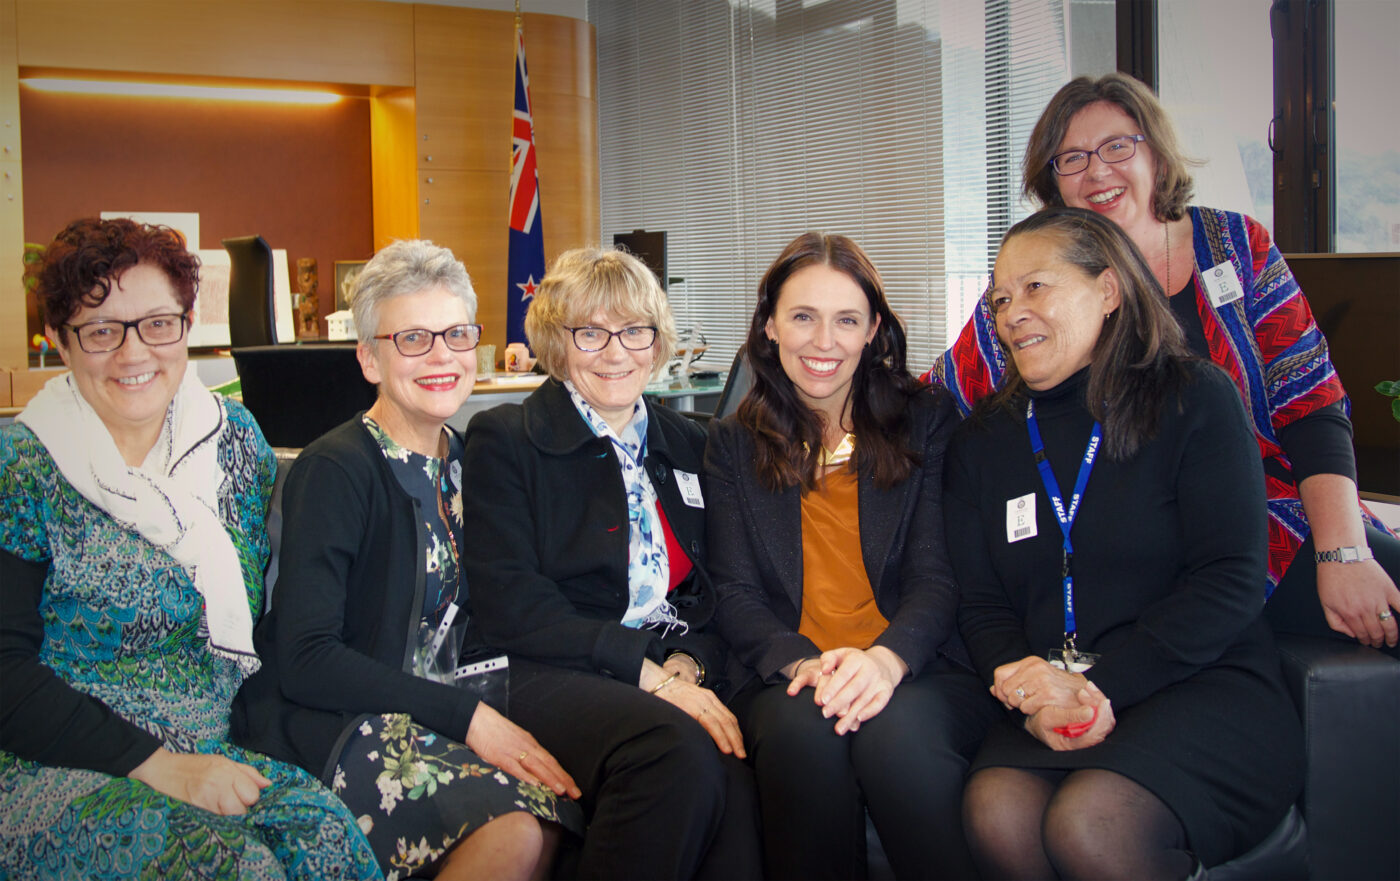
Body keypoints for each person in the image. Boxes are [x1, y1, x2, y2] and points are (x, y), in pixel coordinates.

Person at [928, 72, 1399, 655]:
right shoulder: (1032, 286)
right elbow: (941, 397)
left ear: (1156, 152)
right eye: (1070, 158)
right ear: (1051, 181)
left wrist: (1342, 552)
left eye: (1118, 146)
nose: (1097, 171)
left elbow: (1312, 401)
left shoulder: (1235, 245)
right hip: (1127, 554)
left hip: (1274, 522)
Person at [0, 217, 382, 880]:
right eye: (100, 330)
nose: (133, 353)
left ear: (185, 325)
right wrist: (161, 766)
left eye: (156, 323)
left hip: (207, 745)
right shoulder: (24, 467)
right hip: (52, 762)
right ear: (63, 343)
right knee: (237, 867)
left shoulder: (234, 440)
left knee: (327, 840)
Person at [945, 207, 1304, 879]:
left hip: (1199, 683)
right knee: (997, 810)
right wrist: (1031, 691)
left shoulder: (1195, 397)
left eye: (1035, 287)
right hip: (1053, 694)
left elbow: (1228, 578)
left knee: (1092, 824)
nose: (1010, 311)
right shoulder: (981, 442)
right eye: (999, 298)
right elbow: (981, 605)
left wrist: (1098, 687)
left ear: (1108, 290)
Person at [231, 240, 583, 881]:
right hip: (340, 721)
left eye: (455, 334)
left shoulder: (475, 459)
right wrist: (471, 720)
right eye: (413, 338)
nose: (443, 356)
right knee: (516, 830)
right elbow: (308, 658)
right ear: (369, 358)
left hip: (447, 707)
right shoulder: (336, 469)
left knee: (572, 800)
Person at [704, 232, 1003, 880]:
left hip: (914, 663)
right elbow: (733, 592)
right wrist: (804, 664)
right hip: (788, 669)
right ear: (770, 326)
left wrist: (884, 660)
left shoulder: (927, 418)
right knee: (802, 734)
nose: (823, 341)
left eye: (846, 319)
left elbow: (935, 574)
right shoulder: (729, 444)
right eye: (803, 316)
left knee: (895, 737)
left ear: (873, 330)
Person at [459, 246, 762, 880]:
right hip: (539, 664)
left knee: (740, 754)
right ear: (557, 341)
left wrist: (688, 662)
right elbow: (511, 604)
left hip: (663, 661)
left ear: (657, 343)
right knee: (673, 749)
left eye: (634, 330)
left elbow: (718, 589)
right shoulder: (505, 439)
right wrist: (650, 676)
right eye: (591, 332)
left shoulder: (692, 442)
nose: (616, 351)